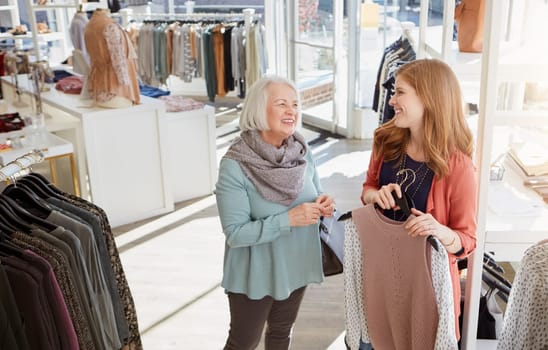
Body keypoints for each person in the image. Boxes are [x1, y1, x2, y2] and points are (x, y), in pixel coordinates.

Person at [360, 58, 477, 341]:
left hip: (426, 292)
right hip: (380, 274)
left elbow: (468, 241)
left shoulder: (458, 166)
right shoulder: (385, 140)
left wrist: (438, 230)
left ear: (428, 97)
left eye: (400, 92)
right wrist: (377, 196)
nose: (391, 101)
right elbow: (367, 191)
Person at [215, 75, 335, 350]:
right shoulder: (235, 165)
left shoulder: (302, 151)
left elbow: (315, 192)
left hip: (296, 263)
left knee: (282, 334)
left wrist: (325, 203)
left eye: (294, 104)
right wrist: (289, 219)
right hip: (256, 272)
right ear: (259, 109)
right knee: (243, 343)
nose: (291, 110)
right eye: (281, 104)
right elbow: (235, 233)